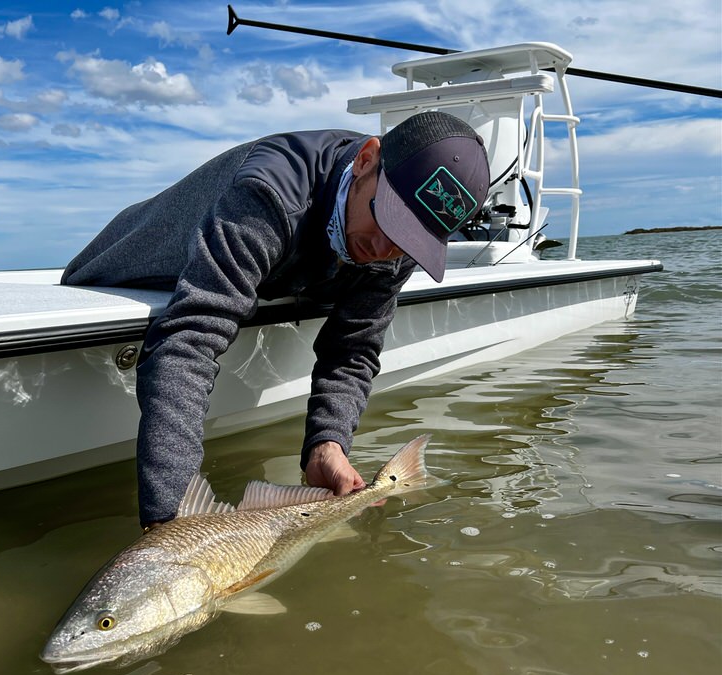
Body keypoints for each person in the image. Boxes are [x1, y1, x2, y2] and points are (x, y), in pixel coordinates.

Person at [61, 110, 490, 528]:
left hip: (254, 277)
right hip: (116, 272)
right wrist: (171, 524)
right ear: (365, 160)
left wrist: (328, 442)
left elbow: (353, 349)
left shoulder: (393, 246)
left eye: (407, 240)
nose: (383, 249)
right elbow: (190, 339)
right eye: (386, 218)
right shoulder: (271, 193)